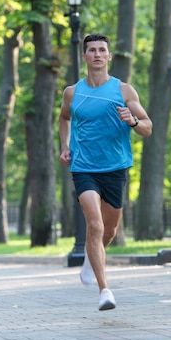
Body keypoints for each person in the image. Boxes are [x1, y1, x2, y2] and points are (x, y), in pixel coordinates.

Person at [58, 33, 152, 311]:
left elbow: (147, 127)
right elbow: (64, 118)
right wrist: (65, 145)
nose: (97, 54)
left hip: (115, 167)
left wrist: (132, 120)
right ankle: (104, 290)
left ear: (109, 56)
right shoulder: (72, 92)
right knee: (95, 225)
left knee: (109, 231)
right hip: (84, 167)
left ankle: (90, 260)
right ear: (84, 56)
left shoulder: (124, 91)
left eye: (102, 50)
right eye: (92, 50)